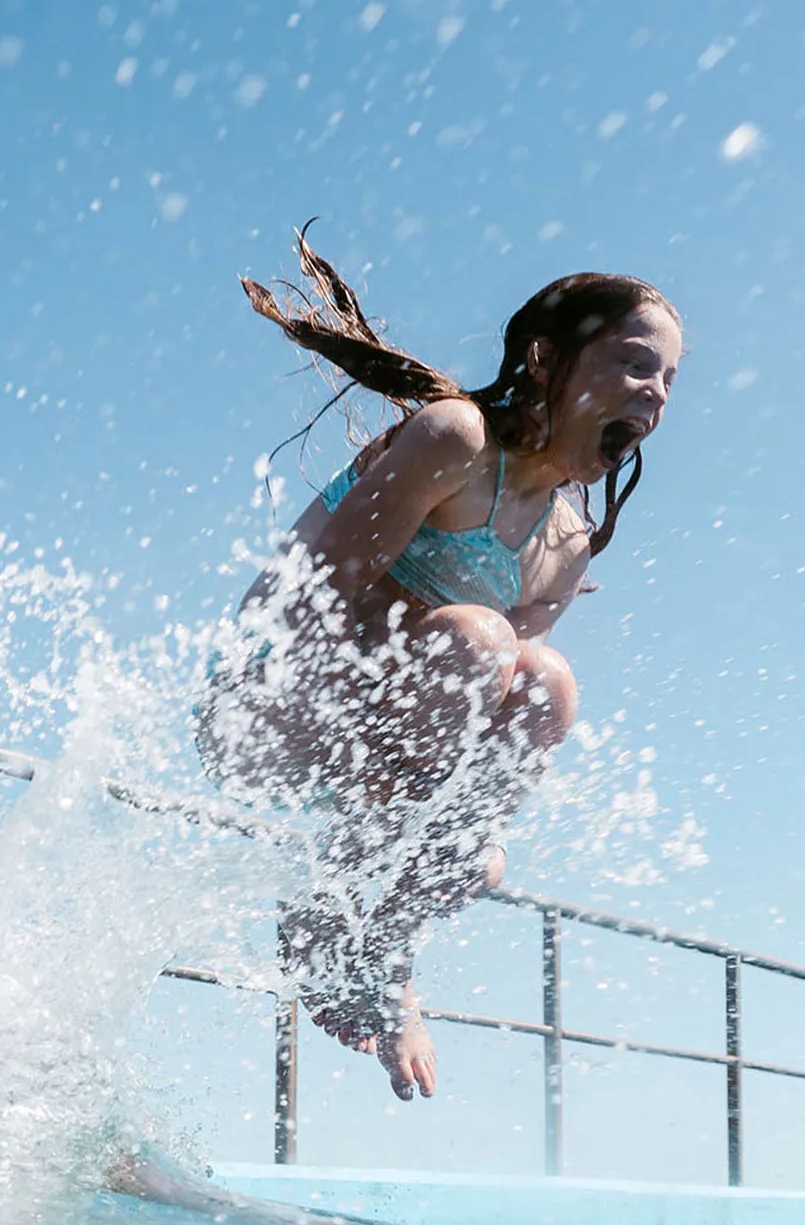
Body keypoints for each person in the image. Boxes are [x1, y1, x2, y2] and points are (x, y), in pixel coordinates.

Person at [197, 232, 681, 1102]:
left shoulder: (563, 546)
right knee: (481, 643)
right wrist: (458, 636)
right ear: (547, 357)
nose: (655, 393)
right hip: (270, 708)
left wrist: (452, 847)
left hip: (371, 751)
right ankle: (321, 908)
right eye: (635, 364)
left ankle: (386, 950)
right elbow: (310, 602)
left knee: (544, 695)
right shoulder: (454, 440)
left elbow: (485, 730)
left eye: (670, 381)